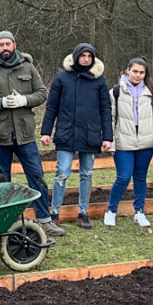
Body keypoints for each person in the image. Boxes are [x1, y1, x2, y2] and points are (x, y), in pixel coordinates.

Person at [0, 31, 62, 238]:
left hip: (25, 134)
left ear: (15, 45)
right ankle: (4, 222)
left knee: (37, 177)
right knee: (3, 180)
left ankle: (45, 220)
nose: (5, 48)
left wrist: (24, 101)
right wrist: (0, 103)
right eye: (1, 45)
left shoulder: (28, 67)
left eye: (8, 44)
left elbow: (42, 93)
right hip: (0, 134)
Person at [40, 43, 113, 229]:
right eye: (83, 55)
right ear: (76, 56)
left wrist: (108, 136)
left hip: (90, 135)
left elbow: (106, 109)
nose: (86, 59)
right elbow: (52, 106)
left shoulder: (99, 81)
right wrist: (46, 132)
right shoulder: (62, 78)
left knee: (87, 174)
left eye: (90, 56)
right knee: (62, 173)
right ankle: (55, 212)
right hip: (66, 133)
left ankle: (83, 212)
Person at [105, 57, 153, 228]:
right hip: (124, 142)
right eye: (135, 71)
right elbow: (109, 118)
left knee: (140, 177)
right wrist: (111, 141)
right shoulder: (116, 91)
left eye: (142, 72)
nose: (138, 75)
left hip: (146, 143)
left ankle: (139, 211)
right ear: (127, 70)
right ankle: (111, 211)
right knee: (123, 177)